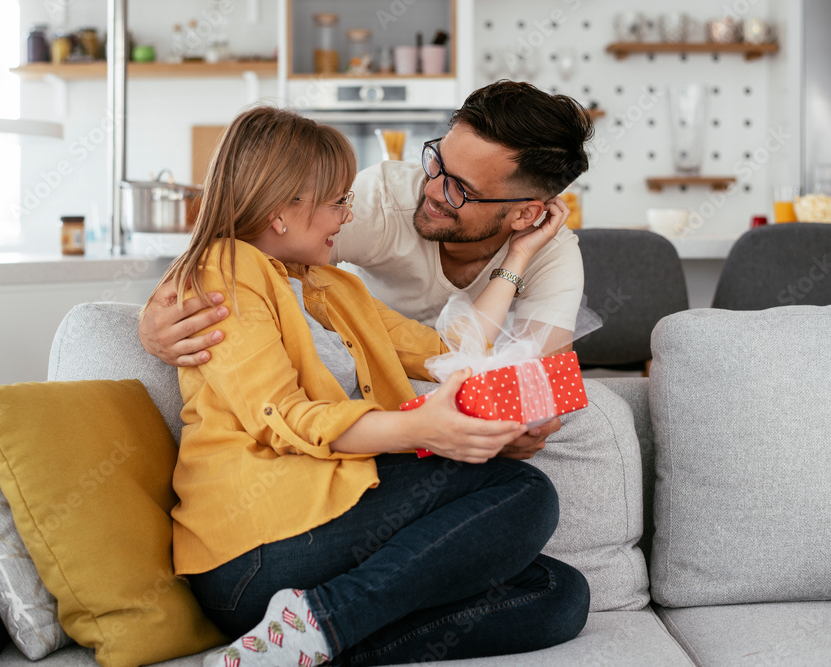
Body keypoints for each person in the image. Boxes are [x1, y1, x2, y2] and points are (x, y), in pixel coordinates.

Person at [144, 106, 589, 667]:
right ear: (284, 211)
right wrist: (415, 429)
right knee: (524, 492)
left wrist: (517, 256)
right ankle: (324, 624)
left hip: (322, 536)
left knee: (558, 594)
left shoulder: (333, 288)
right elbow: (283, 416)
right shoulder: (224, 273)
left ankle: (305, 640)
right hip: (253, 552)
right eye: (336, 202)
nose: (345, 215)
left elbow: (449, 356)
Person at [139, 80, 594, 462]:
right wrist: (156, 317)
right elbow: (245, 239)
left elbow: (533, 380)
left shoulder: (551, 255)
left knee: (528, 501)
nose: (432, 188)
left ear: (524, 214)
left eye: (460, 188)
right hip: (372, 423)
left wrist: (516, 261)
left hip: (409, 401)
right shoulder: (378, 204)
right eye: (437, 161)